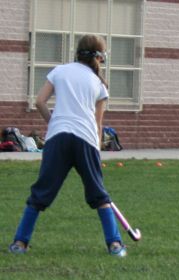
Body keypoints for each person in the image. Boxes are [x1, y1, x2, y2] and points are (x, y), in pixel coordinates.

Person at [8, 35, 126, 257]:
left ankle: (19, 243)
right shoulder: (99, 84)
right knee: (98, 194)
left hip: (57, 139)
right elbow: (98, 123)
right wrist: (96, 151)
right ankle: (115, 245)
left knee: (41, 192)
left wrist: (55, 124)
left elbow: (40, 101)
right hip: (86, 139)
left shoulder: (59, 71)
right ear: (99, 57)